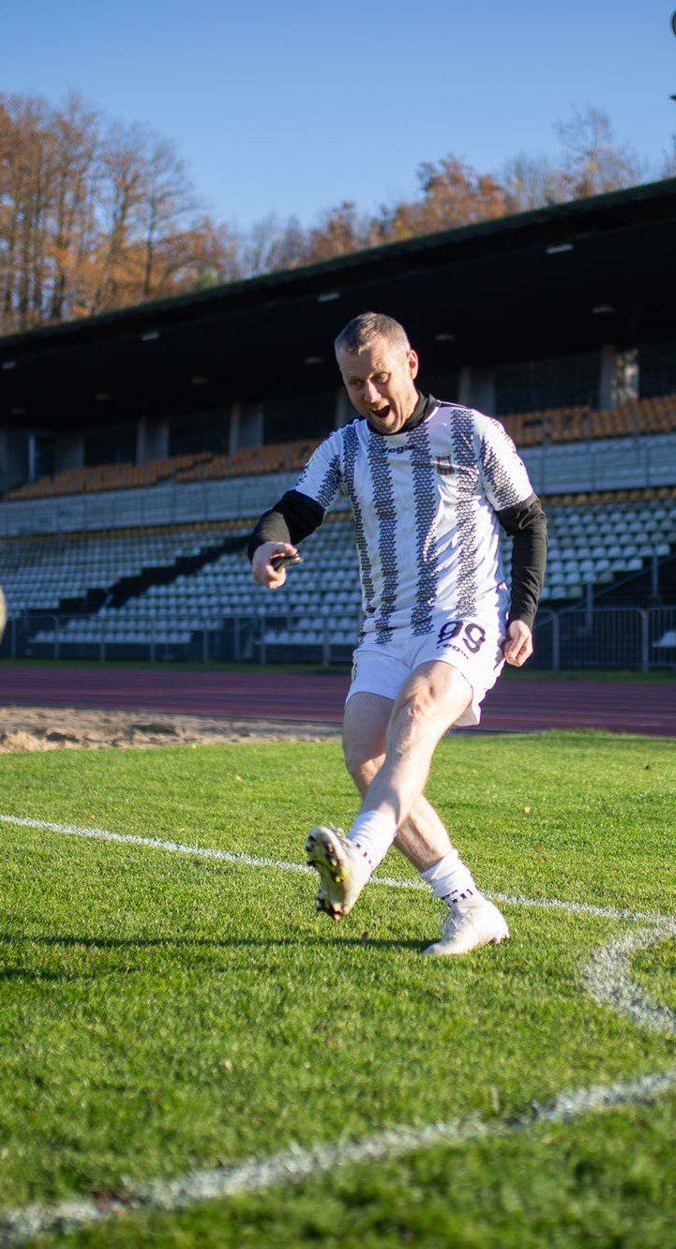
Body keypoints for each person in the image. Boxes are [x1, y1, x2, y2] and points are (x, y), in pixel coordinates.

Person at [251, 312, 547, 957]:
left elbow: (527, 520)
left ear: (410, 364)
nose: (371, 396)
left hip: (465, 615)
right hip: (385, 627)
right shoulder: (345, 447)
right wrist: (269, 546)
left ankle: (358, 855)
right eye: (356, 384)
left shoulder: (471, 432)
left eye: (380, 378)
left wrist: (522, 610)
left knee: (416, 710)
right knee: (365, 754)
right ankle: (468, 907)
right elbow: (294, 510)